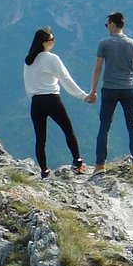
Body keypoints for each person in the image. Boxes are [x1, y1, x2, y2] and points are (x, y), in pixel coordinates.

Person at [23, 27, 89, 179]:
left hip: (36, 102)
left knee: (40, 138)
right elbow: (66, 79)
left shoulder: (28, 61)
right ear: (44, 43)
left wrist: (33, 98)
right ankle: (78, 162)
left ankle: (44, 171)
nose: (54, 42)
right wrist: (83, 96)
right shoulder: (51, 58)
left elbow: (28, 84)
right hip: (52, 99)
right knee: (67, 129)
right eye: (52, 39)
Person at [87, 11, 133, 171]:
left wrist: (93, 90)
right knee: (132, 126)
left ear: (112, 24)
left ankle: (100, 165)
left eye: (107, 25)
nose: (107, 27)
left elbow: (97, 69)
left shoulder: (104, 44)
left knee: (104, 127)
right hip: (128, 89)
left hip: (109, 89)